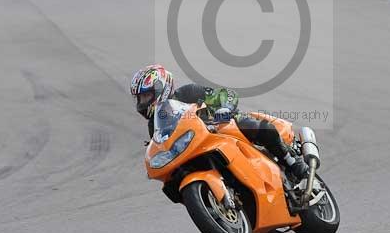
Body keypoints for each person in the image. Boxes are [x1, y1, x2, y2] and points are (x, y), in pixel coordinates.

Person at [130, 64, 309, 181]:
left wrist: (224, 108)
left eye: (146, 96)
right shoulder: (154, 125)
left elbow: (225, 94)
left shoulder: (188, 93)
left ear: (162, 88)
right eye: (139, 98)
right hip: (195, 147)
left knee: (254, 126)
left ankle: (291, 161)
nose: (142, 103)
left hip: (222, 127)